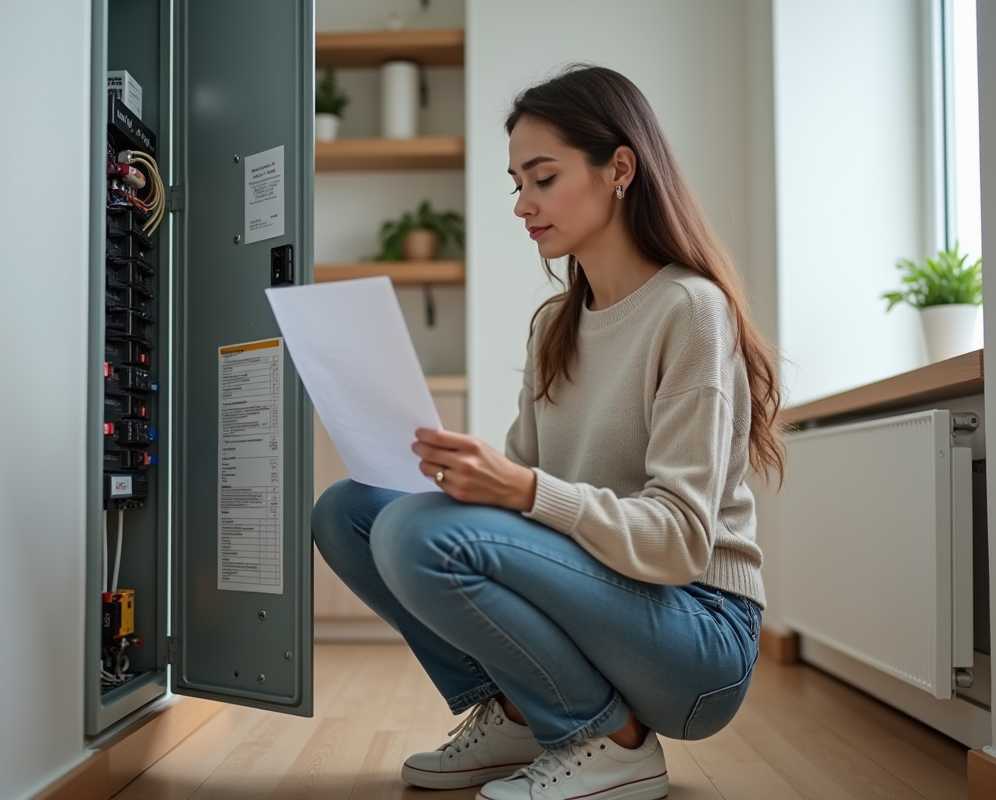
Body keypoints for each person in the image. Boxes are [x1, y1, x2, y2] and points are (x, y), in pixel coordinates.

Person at [311, 64, 785, 800]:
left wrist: (524, 489)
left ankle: (611, 740)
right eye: (516, 185)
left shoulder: (690, 311)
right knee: (347, 510)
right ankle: (519, 712)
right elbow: (523, 508)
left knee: (414, 535)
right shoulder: (554, 329)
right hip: (611, 601)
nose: (522, 205)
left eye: (543, 178)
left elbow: (681, 539)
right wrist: (464, 473)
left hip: (698, 634)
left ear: (619, 169)